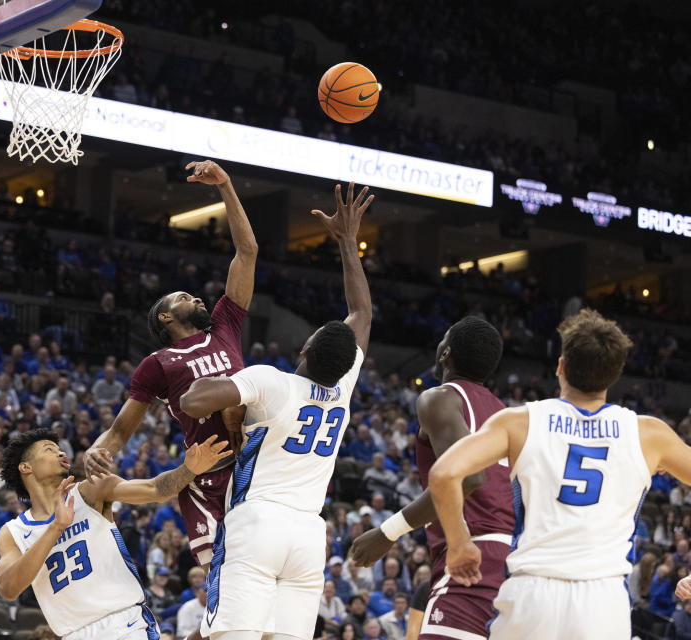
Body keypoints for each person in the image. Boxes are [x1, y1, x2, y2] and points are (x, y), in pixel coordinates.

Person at [177, 181, 373, 640]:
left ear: (306, 346)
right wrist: (348, 242)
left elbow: (192, 401)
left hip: (257, 521)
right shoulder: (342, 389)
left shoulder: (271, 381)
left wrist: (222, 378)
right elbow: (362, 313)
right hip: (309, 533)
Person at [429, 309, 691, 640]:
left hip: (531, 594)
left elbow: (443, 475)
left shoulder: (520, 421)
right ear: (615, 374)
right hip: (603, 602)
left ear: (561, 367)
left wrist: (459, 545)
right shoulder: (650, 434)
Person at [86, 159, 258, 568]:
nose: (196, 297)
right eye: (183, 297)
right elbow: (121, 429)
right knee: (222, 578)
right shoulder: (157, 364)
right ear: (165, 317)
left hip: (254, 460)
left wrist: (226, 186)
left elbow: (247, 252)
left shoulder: (225, 327)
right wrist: (95, 452)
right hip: (207, 473)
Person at [350, 316, 510, 640]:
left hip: (472, 558)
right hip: (512, 560)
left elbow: (466, 477)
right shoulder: (506, 414)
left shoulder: (440, 398)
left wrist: (387, 532)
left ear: (445, 352)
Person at [0, 428, 230, 639]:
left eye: (60, 449)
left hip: (124, 624)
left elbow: (155, 489)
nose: (60, 453)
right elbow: (8, 589)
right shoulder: (13, 532)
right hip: (72, 634)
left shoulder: (90, 492)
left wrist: (189, 469)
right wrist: (56, 527)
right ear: (26, 467)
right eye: (49, 449)